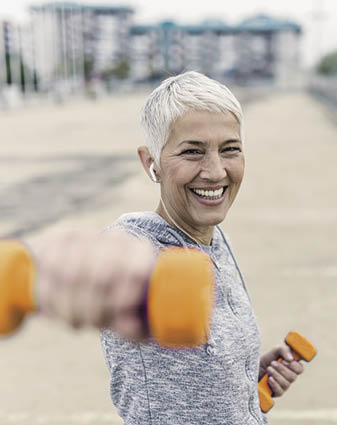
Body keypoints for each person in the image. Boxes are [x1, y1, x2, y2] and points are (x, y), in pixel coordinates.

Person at [99, 71, 304, 425]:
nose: (215, 171)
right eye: (192, 152)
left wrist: (247, 381)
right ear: (152, 163)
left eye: (230, 150)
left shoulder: (213, 239)